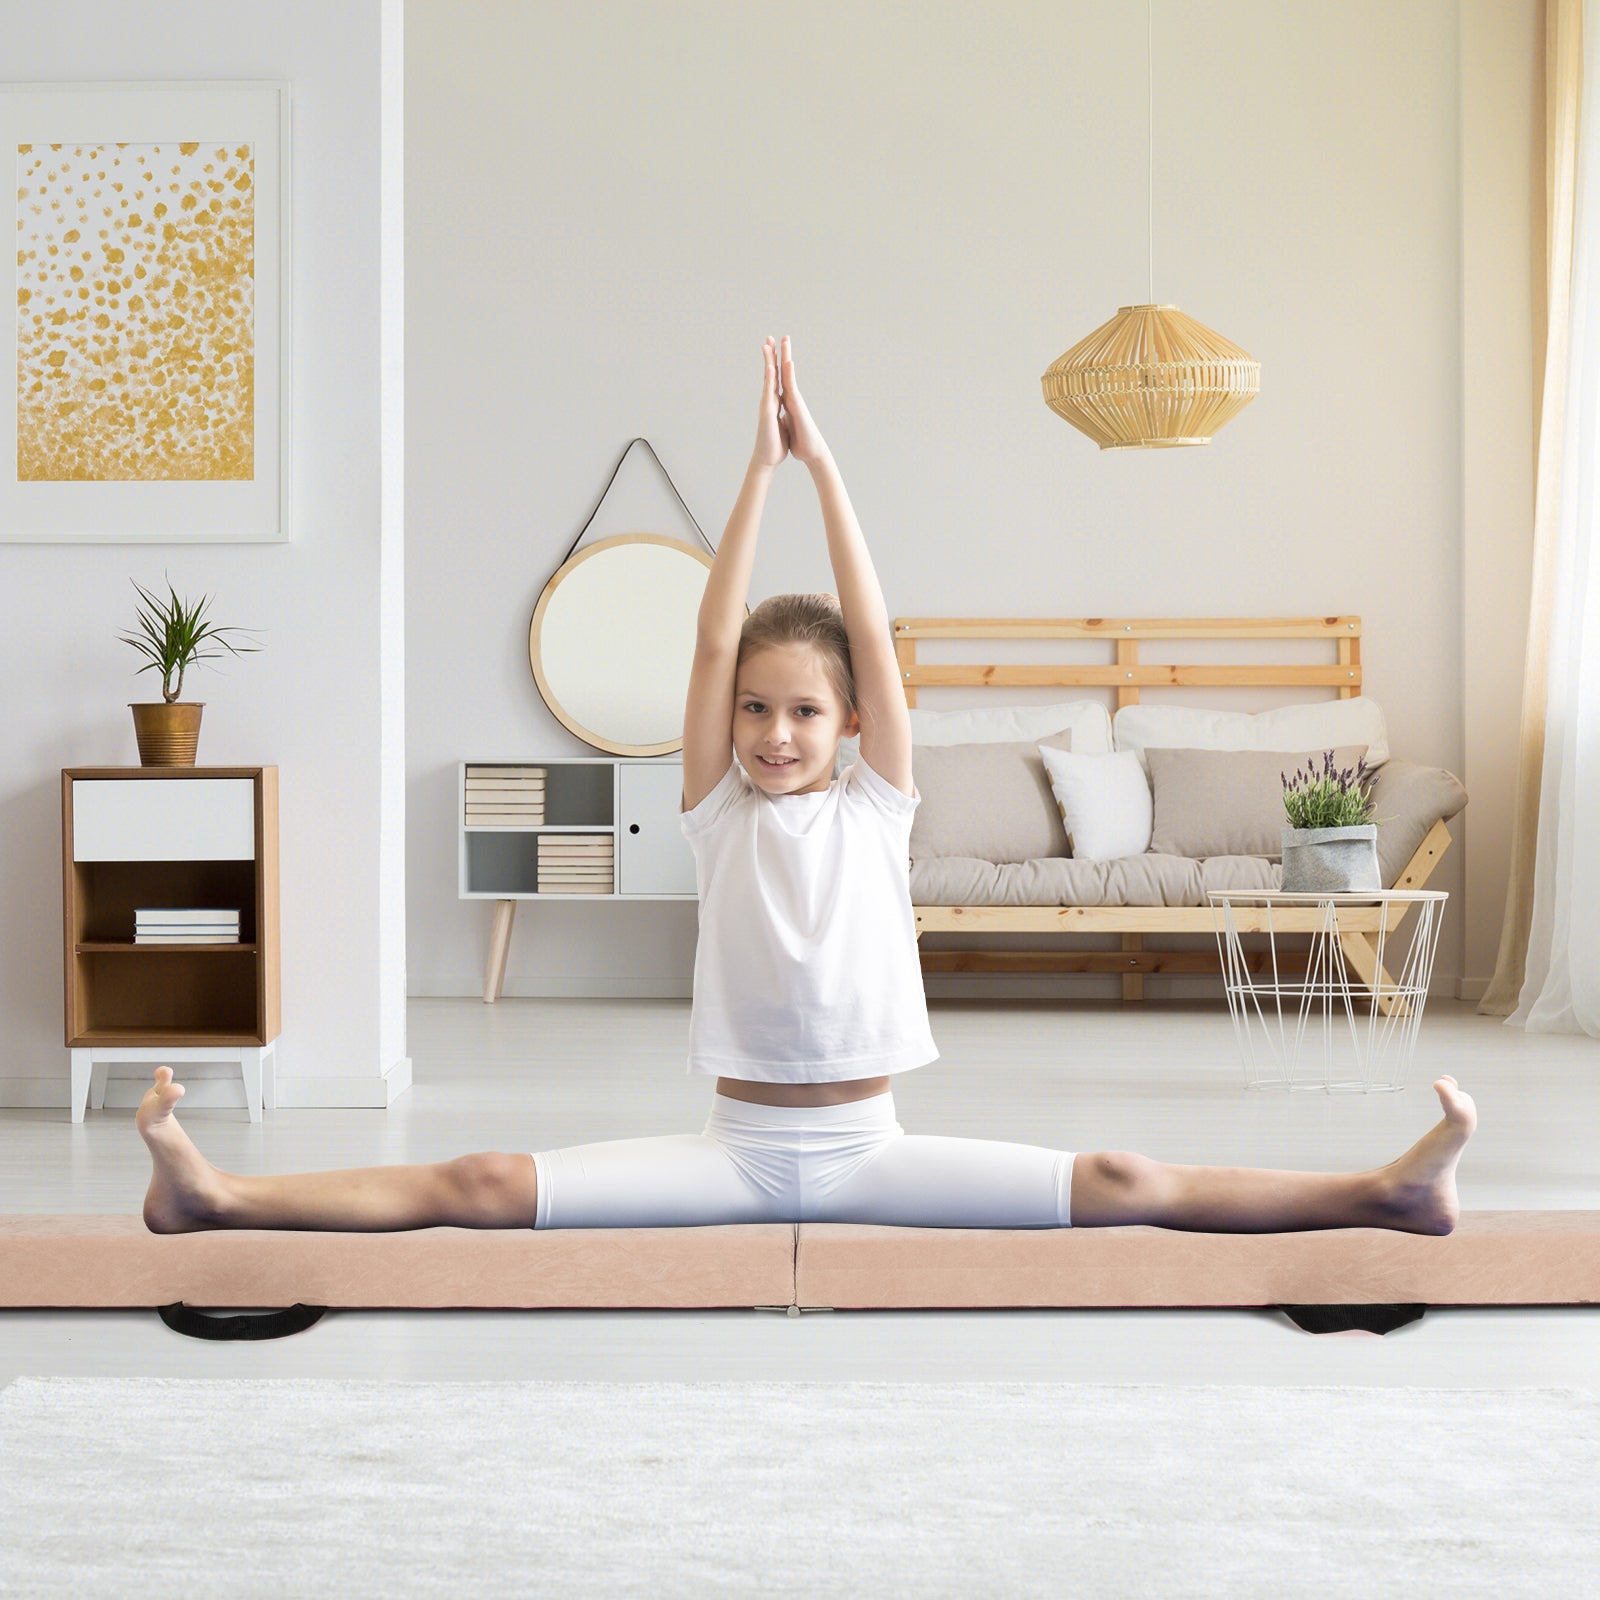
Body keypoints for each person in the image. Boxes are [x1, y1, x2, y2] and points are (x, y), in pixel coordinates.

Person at [136, 334, 1476, 1237]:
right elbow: (713, 640)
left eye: (806, 713)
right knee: (481, 1178)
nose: (777, 731)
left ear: (849, 726)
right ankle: (215, 1199)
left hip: (877, 1151)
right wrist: (754, 474)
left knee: (1126, 1177)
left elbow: (875, 642)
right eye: (757, 713)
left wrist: (824, 471)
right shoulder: (717, 813)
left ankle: (1379, 1193)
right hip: (727, 1153)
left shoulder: (875, 806)